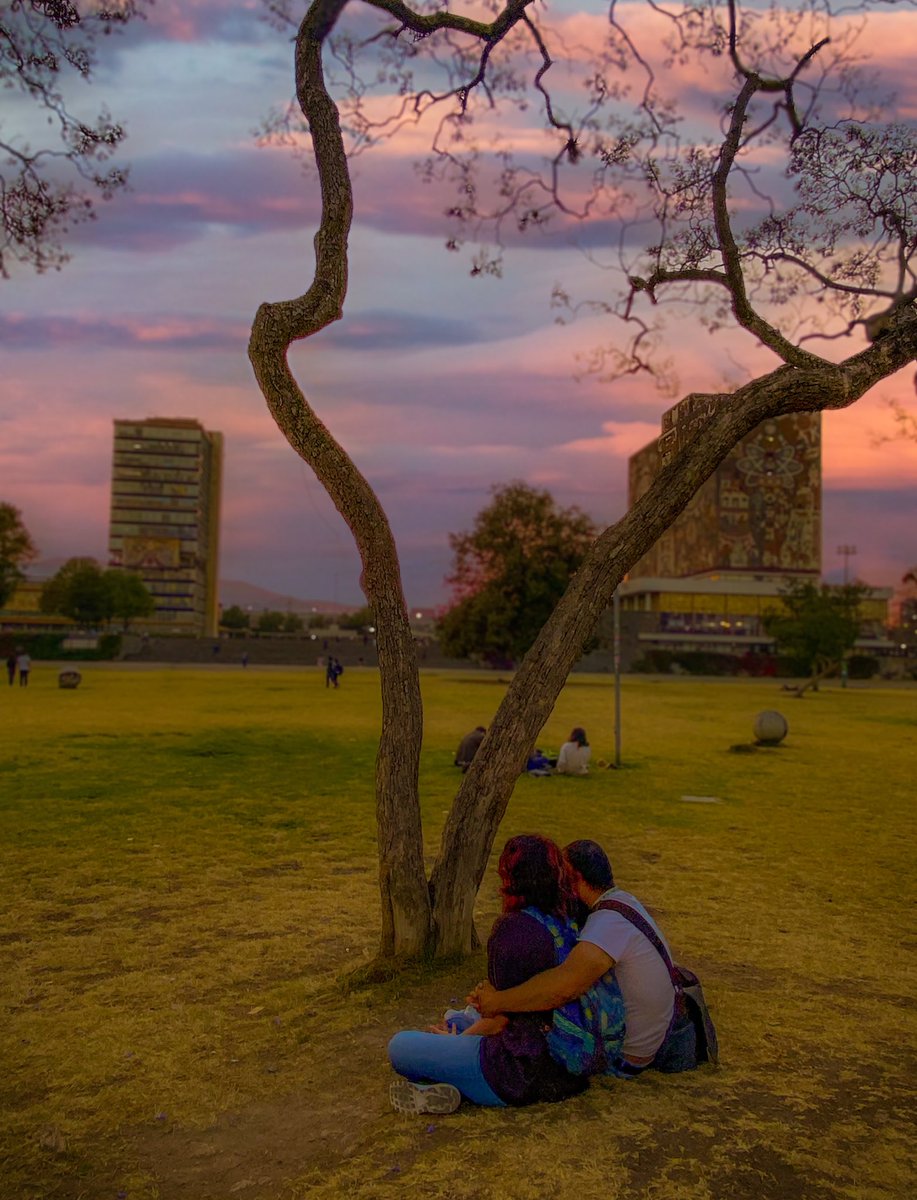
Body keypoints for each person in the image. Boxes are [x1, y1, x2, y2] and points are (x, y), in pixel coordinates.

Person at [387, 834, 591, 1114]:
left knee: (402, 1047)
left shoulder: (512, 930)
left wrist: (457, 1041)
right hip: (565, 1065)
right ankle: (447, 1080)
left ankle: (453, 1076)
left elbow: (498, 1022)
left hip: (517, 1071)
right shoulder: (568, 919)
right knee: (457, 1017)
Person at [472, 839, 676, 1078]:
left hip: (625, 1056)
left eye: (560, 872)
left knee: (527, 1020)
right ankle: (469, 1025)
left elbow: (563, 988)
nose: (555, 880)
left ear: (574, 875)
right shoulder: (622, 903)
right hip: (645, 1041)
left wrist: (497, 1001)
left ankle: (463, 1037)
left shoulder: (607, 925)